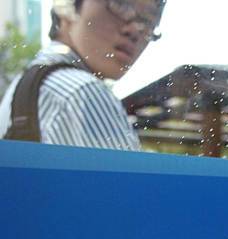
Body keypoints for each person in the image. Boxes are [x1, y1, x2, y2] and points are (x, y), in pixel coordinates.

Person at [0, 0, 166, 149]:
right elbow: (130, 183)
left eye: (147, 21)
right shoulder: (81, 91)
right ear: (67, 4)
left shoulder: (30, 82)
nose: (134, 30)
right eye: (120, 5)